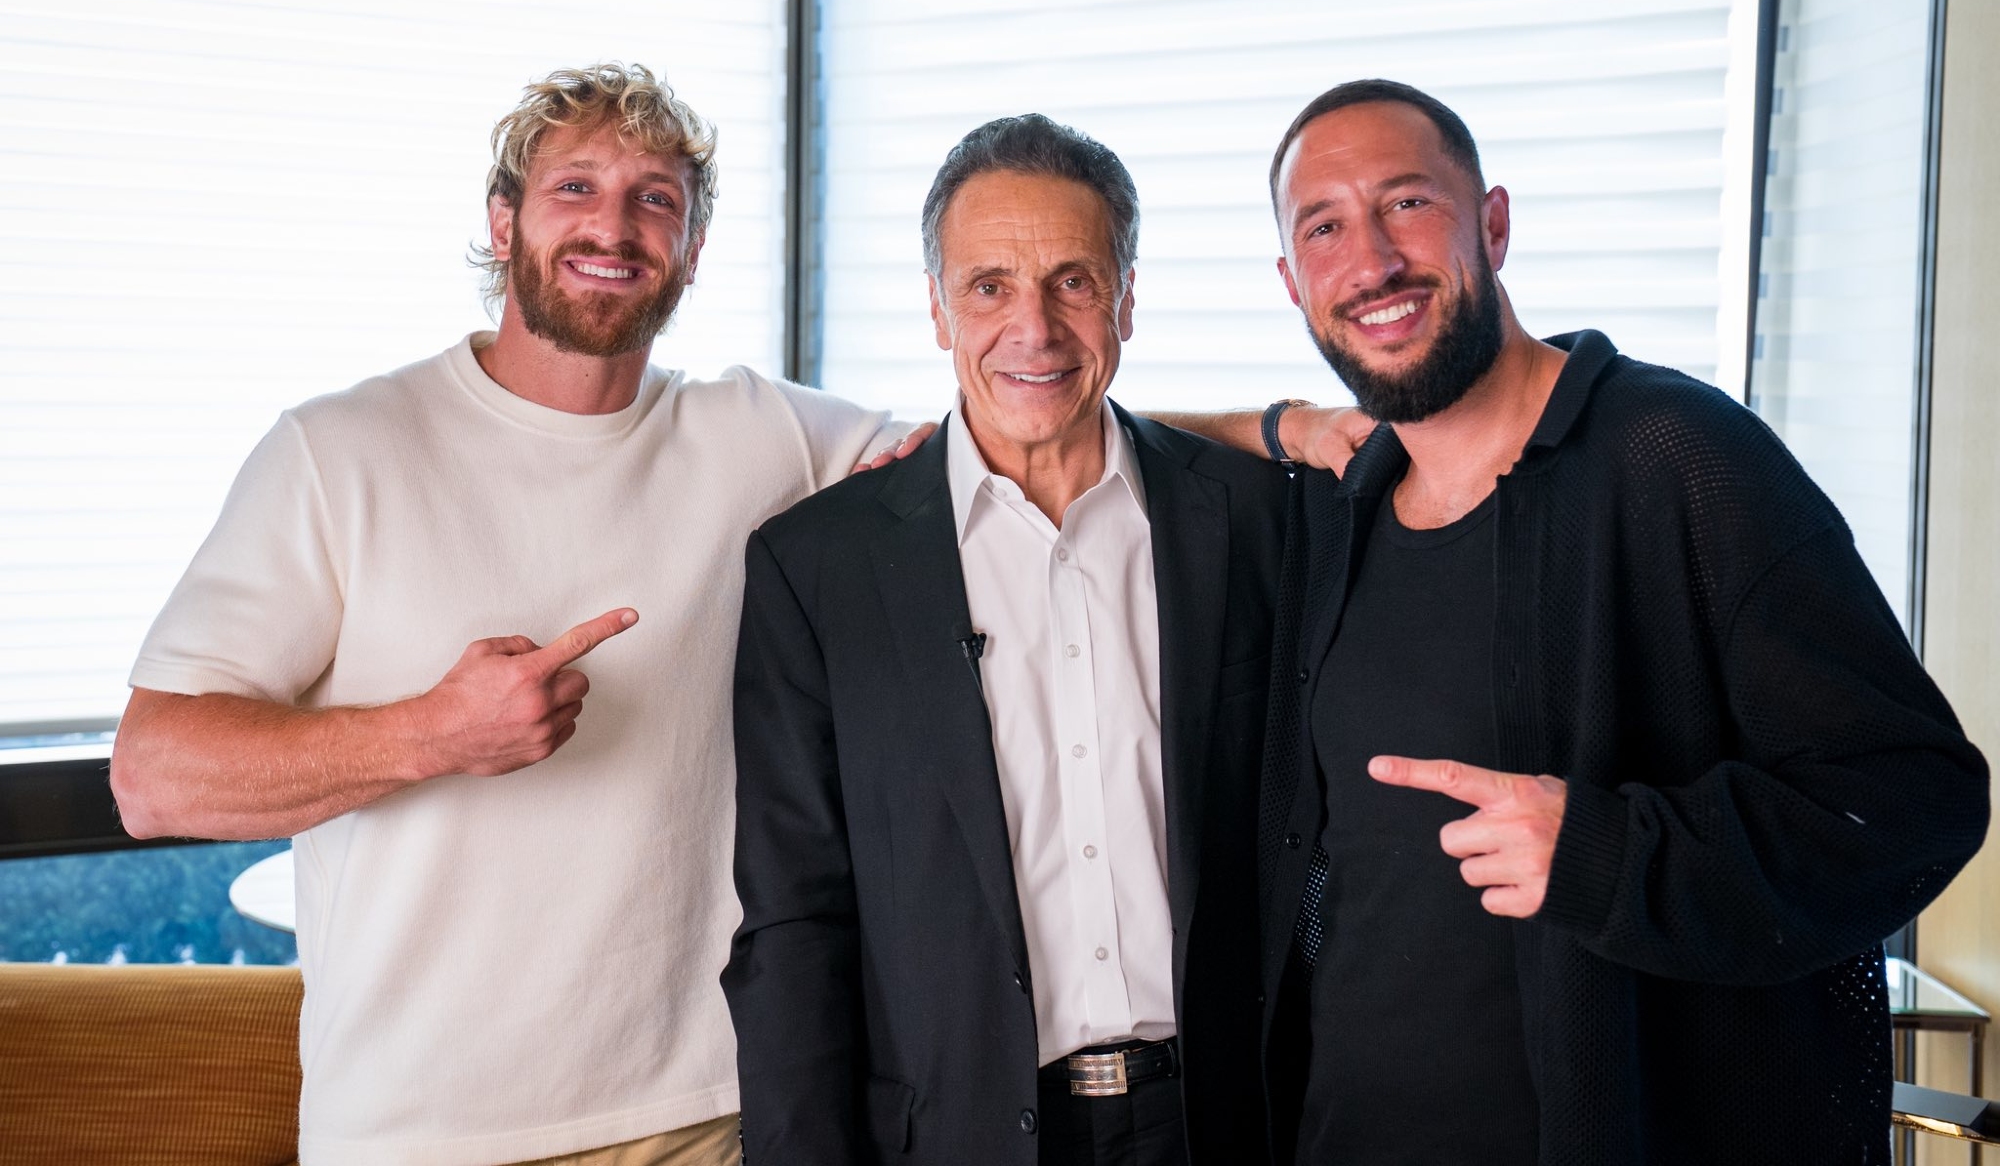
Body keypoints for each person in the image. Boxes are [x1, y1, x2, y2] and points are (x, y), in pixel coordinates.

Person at [110, 66, 1358, 1166]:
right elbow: (155, 779)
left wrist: (1278, 429)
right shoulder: (338, 454)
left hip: (701, 1116)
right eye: (574, 188)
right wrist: (431, 734)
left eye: (655, 199)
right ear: (501, 221)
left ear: (694, 245)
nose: (614, 226)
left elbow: (1027, 410)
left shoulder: (760, 435)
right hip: (426, 1129)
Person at [1254, 78, 1990, 1165]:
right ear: (1291, 281)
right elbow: (1081, 422)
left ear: (1492, 224)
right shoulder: (1335, 516)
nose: (1370, 261)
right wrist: (1272, 423)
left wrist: (1608, 856)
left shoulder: (1678, 456)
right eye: (1324, 228)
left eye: (1406, 203)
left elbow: (1915, 797)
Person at [725, 115, 1289, 1165]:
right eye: (988, 286)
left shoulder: (1254, 520)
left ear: (1125, 299)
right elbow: (794, 922)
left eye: (1073, 282)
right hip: (954, 1132)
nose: (1034, 328)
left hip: (1224, 1121)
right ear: (938, 308)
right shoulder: (818, 567)